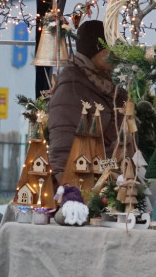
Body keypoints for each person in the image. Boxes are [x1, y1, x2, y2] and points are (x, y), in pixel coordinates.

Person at [47, 20, 125, 183]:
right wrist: (70, 194)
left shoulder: (107, 86)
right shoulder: (72, 89)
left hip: (109, 183)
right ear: (100, 51)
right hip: (85, 188)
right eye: (110, 48)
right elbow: (62, 151)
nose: (116, 54)